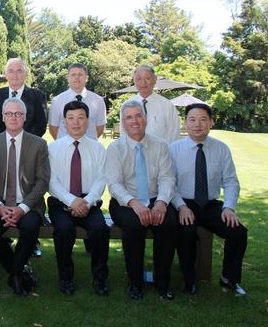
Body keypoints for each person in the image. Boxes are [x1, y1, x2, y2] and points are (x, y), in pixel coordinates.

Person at [170, 103, 247, 296]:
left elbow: (230, 181)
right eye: (192, 120)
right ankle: (189, 280)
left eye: (203, 119)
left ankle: (229, 278)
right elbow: (168, 183)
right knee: (186, 231)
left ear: (211, 122)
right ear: (185, 123)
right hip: (183, 202)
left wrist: (229, 208)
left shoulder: (221, 149)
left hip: (211, 204)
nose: (198, 124)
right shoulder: (174, 149)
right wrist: (180, 207)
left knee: (238, 232)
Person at [106, 100, 178, 300]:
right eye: (129, 117)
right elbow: (114, 184)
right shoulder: (115, 148)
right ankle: (135, 282)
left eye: (138, 115)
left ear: (145, 119)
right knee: (133, 225)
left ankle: (162, 283)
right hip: (125, 201)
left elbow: (167, 178)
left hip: (156, 198)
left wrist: (162, 202)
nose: (134, 121)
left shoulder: (160, 145)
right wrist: (134, 204)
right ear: (123, 122)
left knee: (168, 223)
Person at [0, 98, 50, 296]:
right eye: (9, 114)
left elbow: (42, 182)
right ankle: (19, 271)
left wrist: (22, 208)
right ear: (3, 118)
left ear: (25, 117)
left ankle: (15, 276)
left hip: (28, 205)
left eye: (18, 114)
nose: (13, 117)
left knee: (29, 227)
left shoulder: (39, 144)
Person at [47, 101, 109, 296]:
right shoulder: (53, 148)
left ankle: (99, 278)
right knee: (64, 230)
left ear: (88, 121)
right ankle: (66, 278)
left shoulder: (98, 149)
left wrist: (87, 202)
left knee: (100, 229)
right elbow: (51, 182)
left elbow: (101, 179)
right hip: (61, 201)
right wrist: (71, 201)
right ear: (64, 122)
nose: (76, 123)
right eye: (71, 118)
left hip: (88, 201)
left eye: (81, 117)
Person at [123, 65, 180, 143]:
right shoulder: (126, 105)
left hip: (160, 153)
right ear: (134, 81)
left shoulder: (167, 105)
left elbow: (174, 135)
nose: (143, 82)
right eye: (139, 79)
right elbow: (123, 133)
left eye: (147, 78)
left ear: (155, 79)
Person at [49, 63, 106, 140]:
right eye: (73, 75)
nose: (77, 77)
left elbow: (100, 127)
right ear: (68, 78)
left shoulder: (98, 101)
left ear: (86, 78)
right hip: (65, 148)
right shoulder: (57, 101)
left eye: (80, 74)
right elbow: (53, 128)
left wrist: (85, 144)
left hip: (90, 149)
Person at [0, 58, 47, 137]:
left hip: (29, 145)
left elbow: (41, 125)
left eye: (19, 71)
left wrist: (23, 141)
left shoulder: (38, 96)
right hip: (1, 144)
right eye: (11, 71)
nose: (15, 75)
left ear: (26, 74)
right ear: (6, 74)